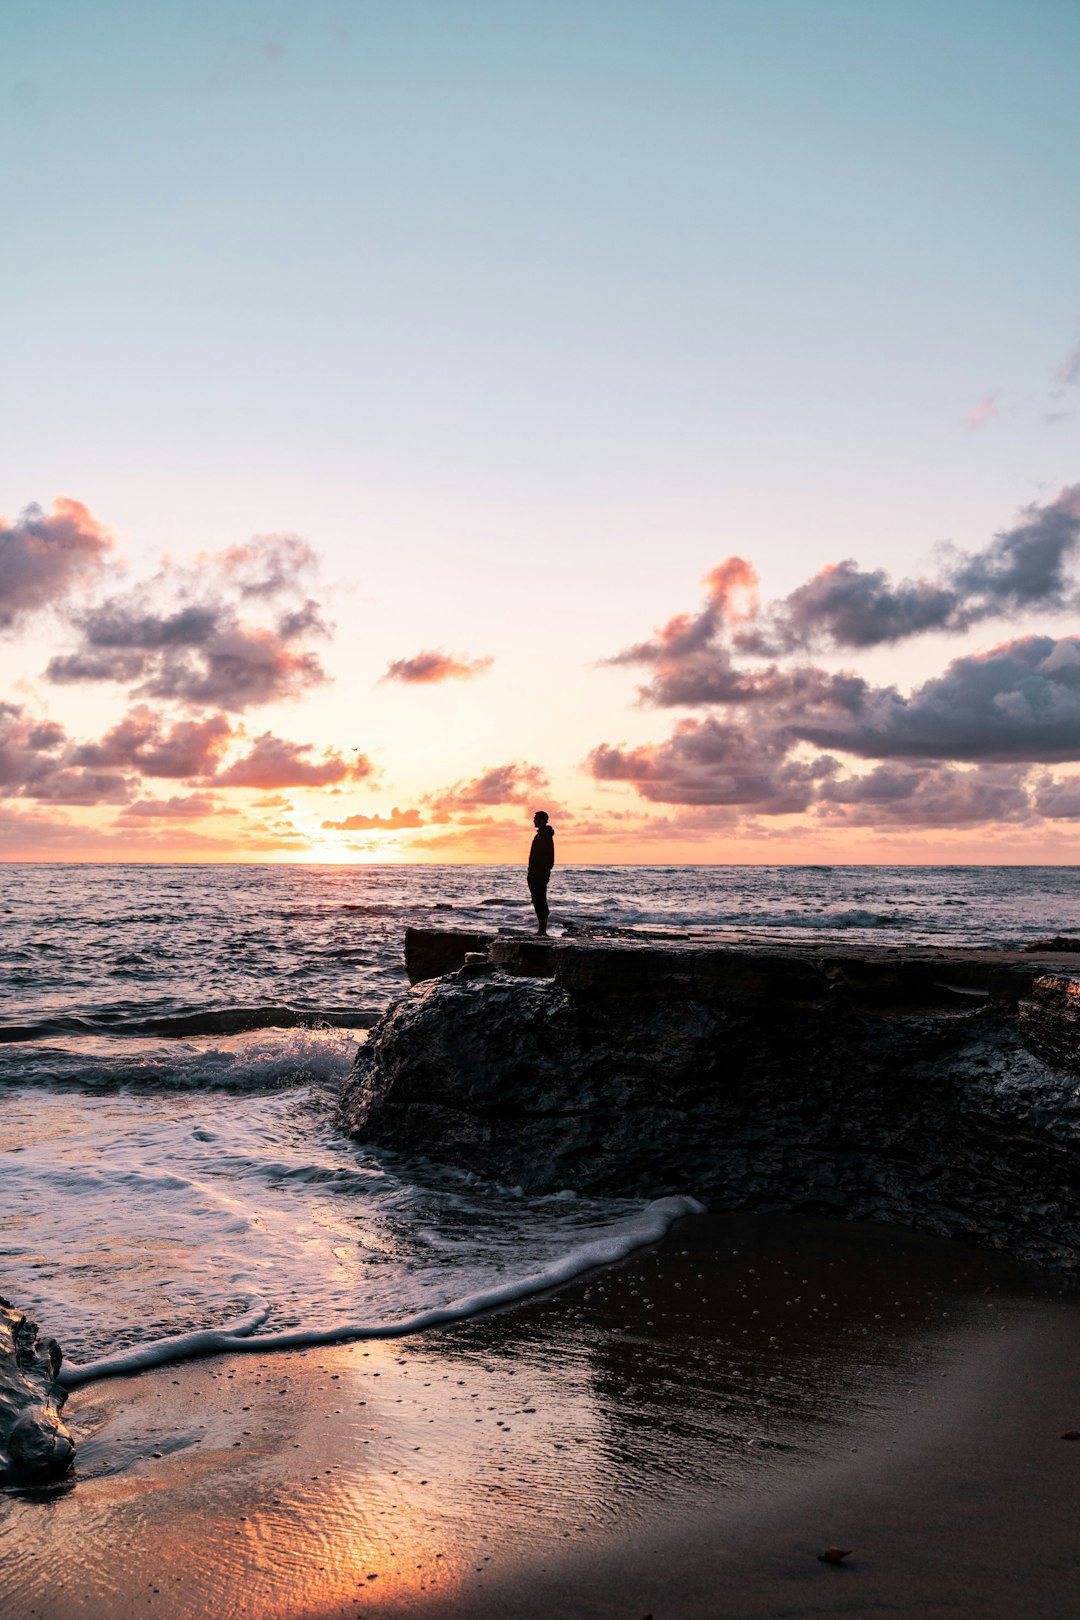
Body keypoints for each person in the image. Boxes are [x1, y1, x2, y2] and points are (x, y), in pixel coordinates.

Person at [527, 810, 555, 935]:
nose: (534, 821)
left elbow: (548, 858)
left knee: (540, 900)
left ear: (543, 820)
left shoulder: (544, 835)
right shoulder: (542, 835)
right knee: (537, 900)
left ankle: (542, 930)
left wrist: (542, 873)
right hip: (536, 874)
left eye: (536, 819)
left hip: (539, 874)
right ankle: (541, 929)